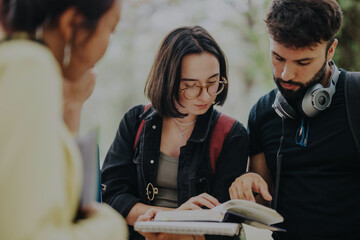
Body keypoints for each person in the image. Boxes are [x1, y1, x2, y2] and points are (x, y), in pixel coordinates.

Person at [101, 25, 249, 240]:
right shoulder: (135, 121)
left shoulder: (231, 134)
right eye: (191, 86)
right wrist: (174, 218)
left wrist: (165, 228)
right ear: (168, 81)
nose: (206, 96)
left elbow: (224, 222)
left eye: (213, 82)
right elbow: (112, 196)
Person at [229, 0, 360, 239]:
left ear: (330, 51)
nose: (286, 74)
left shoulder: (356, 95)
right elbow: (262, 210)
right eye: (278, 58)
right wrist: (249, 183)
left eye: (302, 62)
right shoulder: (261, 113)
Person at [0, 0, 128, 239]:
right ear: (72, 23)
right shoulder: (29, 65)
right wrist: (111, 228)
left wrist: (72, 103)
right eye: (110, 30)